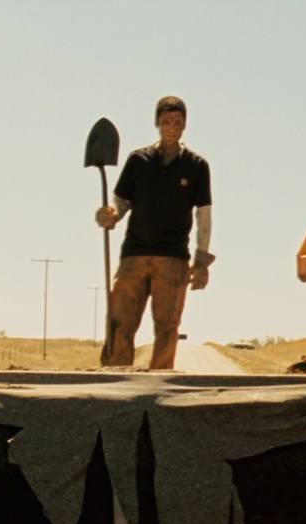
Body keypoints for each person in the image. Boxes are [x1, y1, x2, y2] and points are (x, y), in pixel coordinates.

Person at [95, 95, 214, 370]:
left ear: (185, 125)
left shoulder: (196, 165)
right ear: (157, 123)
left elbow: (204, 214)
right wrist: (111, 215)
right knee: (119, 322)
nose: (172, 127)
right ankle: (113, 382)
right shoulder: (139, 160)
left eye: (177, 122)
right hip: (134, 256)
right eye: (166, 121)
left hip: (173, 260)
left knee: (167, 327)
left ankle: (160, 389)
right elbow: (121, 201)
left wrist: (202, 261)